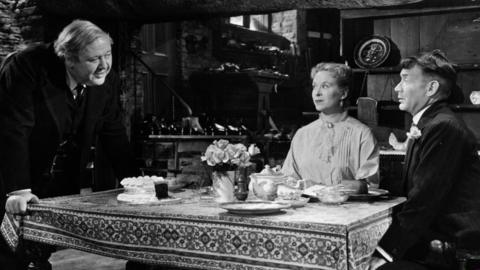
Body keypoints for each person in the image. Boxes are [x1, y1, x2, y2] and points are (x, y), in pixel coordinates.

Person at [0, 19, 138, 269]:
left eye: (108, 54)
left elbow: (113, 132)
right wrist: (18, 189)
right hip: (13, 178)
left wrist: (138, 184)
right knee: (9, 256)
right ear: (69, 59)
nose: (104, 65)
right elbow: (12, 129)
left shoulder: (107, 79)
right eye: (94, 58)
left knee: (38, 254)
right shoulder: (26, 66)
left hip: (58, 184)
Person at [369, 50, 480, 270]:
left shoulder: (443, 127)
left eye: (405, 79)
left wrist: (385, 252)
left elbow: (424, 200)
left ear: (431, 89)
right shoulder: (430, 123)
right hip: (432, 240)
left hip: (453, 249)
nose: (397, 88)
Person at [281, 62, 379, 187]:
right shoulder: (302, 135)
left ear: (343, 93)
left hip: (348, 206)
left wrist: (327, 190)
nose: (317, 93)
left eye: (325, 86)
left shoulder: (362, 134)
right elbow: (288, 181)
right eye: (315, 86)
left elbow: (370, 187)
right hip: (306, 206)